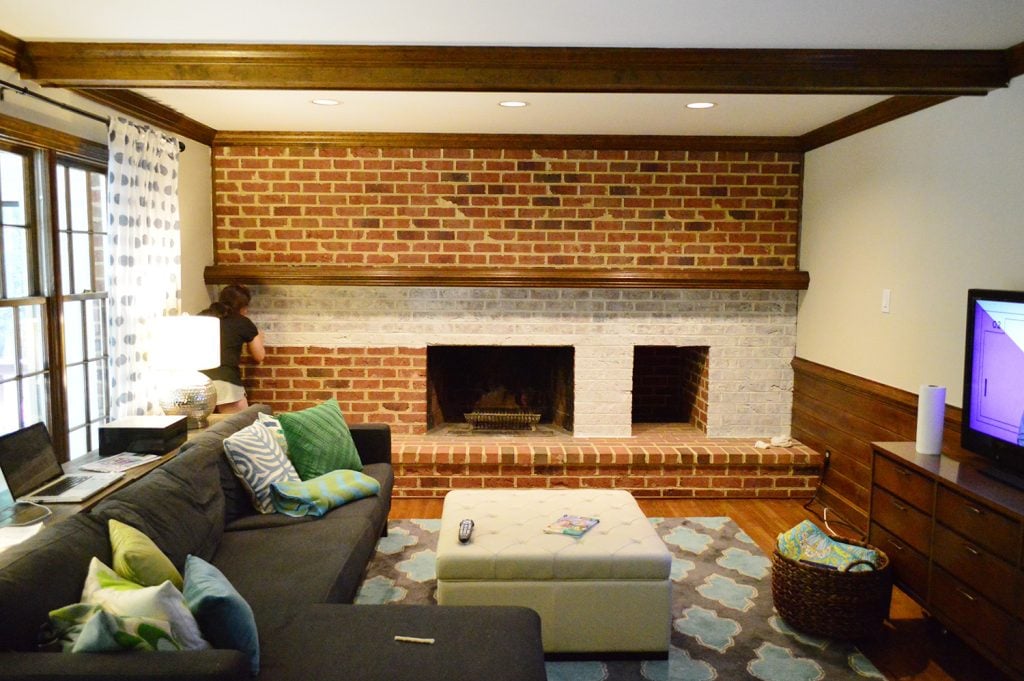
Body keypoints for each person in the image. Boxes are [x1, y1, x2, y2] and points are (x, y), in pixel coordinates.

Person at [199, 284, 265, 413]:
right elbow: (259, 356)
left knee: (203, 429)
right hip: (226, 381)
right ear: (243, 306)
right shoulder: (242, 322)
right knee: (241, 426)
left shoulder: (201, 317)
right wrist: (260, 339)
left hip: (199, 381)